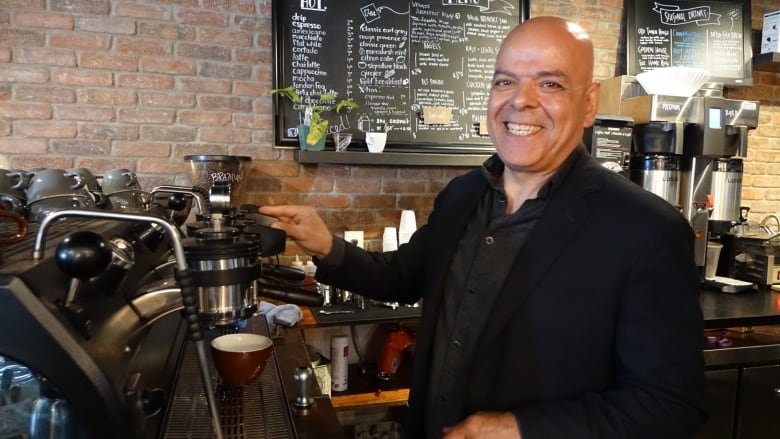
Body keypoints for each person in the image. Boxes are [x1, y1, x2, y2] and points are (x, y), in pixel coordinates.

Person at [260, 16, 706, 439]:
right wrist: (325, 244)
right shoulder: (462, 195)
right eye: (505, 81)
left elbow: (668, 405)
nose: (521, 99)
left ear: (589, 104)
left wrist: (520, 429)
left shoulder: (646, 230)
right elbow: (401, 277)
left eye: (549, 83)